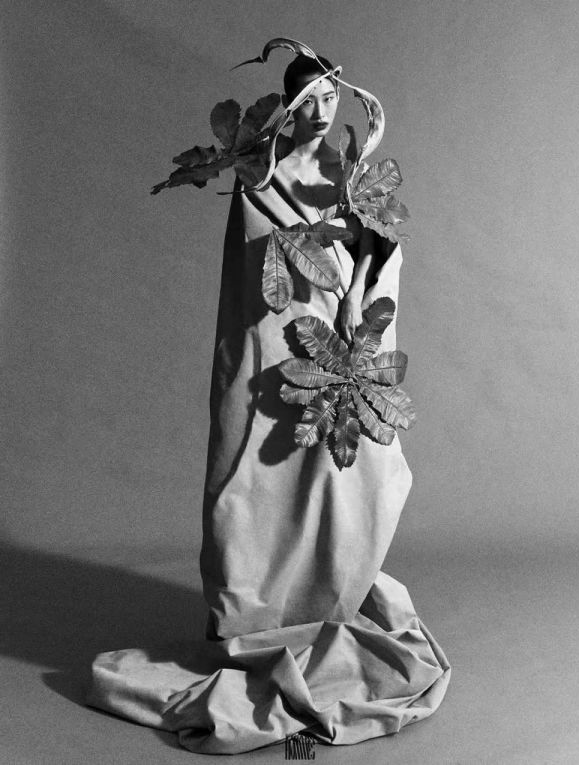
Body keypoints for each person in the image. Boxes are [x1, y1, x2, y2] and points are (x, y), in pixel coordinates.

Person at [88, 50, 450, 756]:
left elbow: (379, 249)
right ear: (286, 105)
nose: (320, 112)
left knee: (352, 483)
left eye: (330, 98)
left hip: (344, 348)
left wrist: (357, 286)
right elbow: (255, 273)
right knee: (262, 480)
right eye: (306, 100)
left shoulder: (347, 175)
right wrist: (312, 265)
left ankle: (329, 594)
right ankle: (266, 612)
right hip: (277, 348)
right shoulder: (260, 178)